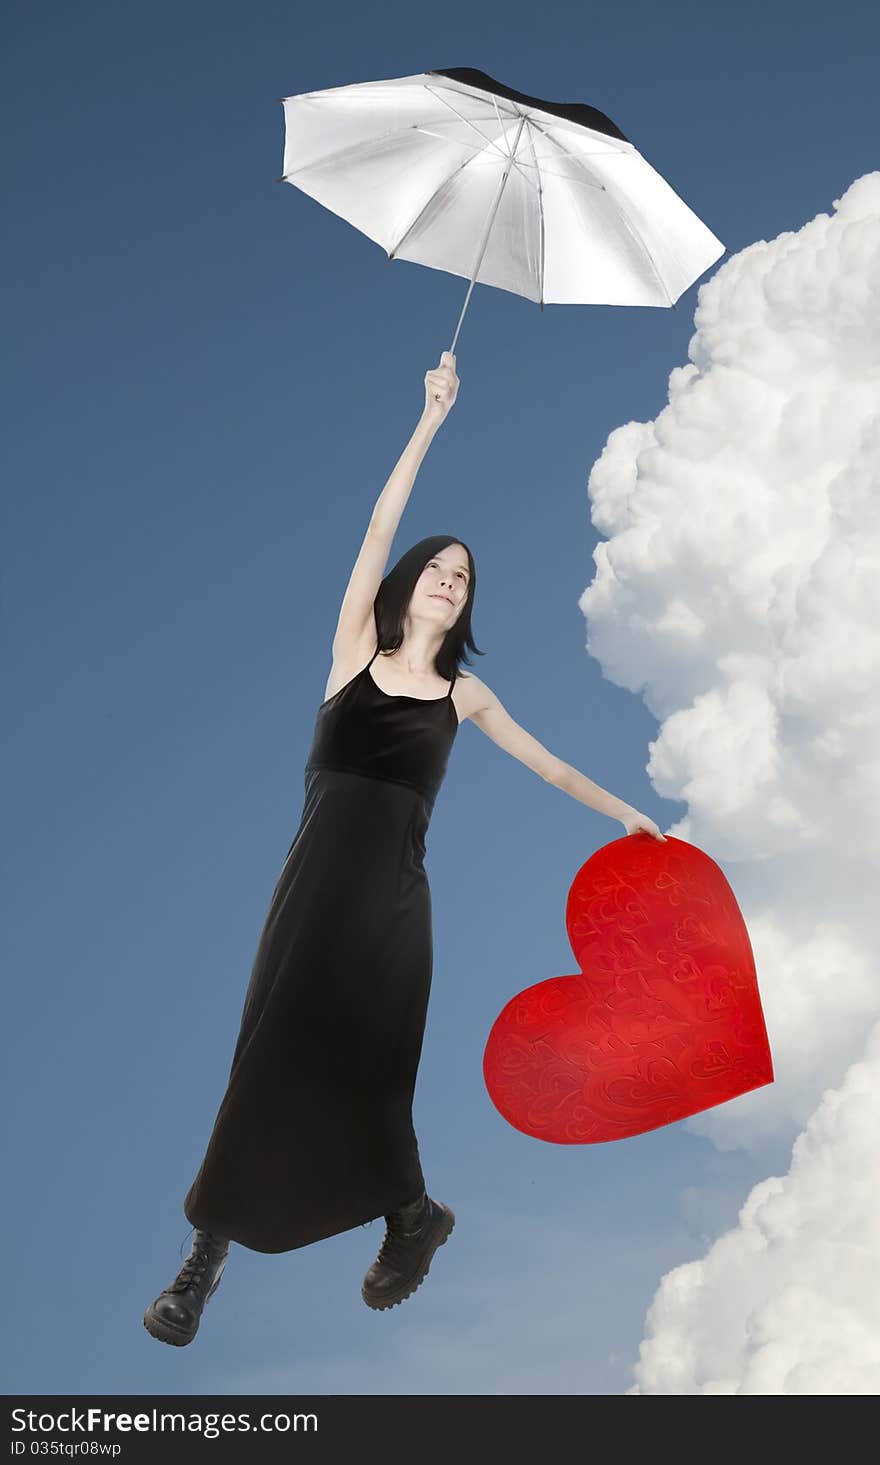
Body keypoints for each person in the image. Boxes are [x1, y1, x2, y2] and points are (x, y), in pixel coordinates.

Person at [143, 350, 666, 1347]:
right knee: (267, 1058)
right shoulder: (352, 656)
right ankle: (201, 1265)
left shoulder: (465, 697)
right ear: (406, 583)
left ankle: (409, 1219)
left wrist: (622, 812)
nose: (445, 578)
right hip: (310, 894)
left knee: (369, 1072)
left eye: (461, 576)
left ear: (466, 606)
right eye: (435, 565)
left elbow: (548, 765)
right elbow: (378, 525)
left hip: (393, 905)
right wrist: (430, 417)